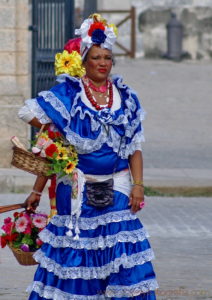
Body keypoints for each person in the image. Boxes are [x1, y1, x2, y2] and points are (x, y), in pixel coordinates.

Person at [18, 14, 158, 300]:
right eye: (96, 57)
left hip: (117, 185)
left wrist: (138, 184)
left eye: (108, 57)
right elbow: (28, 114)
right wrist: (58, 126)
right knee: (76, 251)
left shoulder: (126, 98)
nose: (103, 63)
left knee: (122, 250)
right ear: (84, 61)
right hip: (77, 189)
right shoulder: (70, 94)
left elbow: (135, 147)